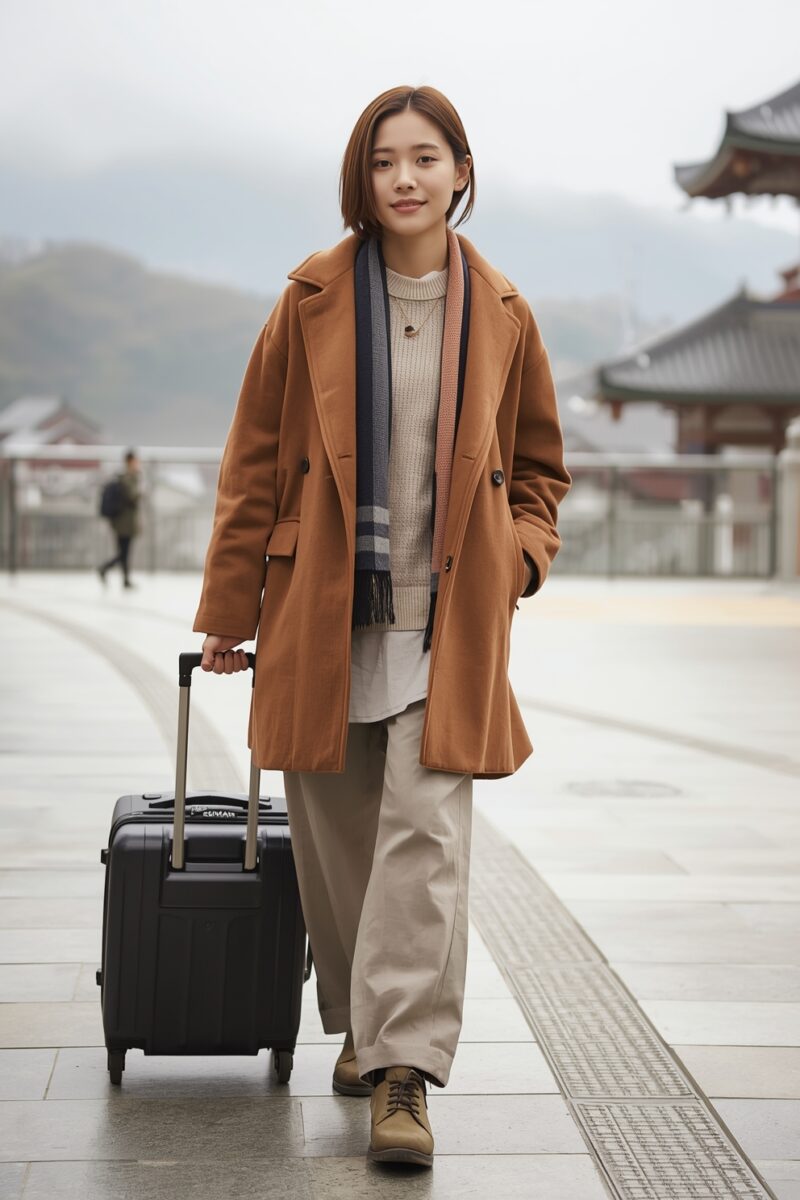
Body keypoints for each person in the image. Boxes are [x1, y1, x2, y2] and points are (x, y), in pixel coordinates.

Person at [193, 85, 571, 1168]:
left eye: (424, 157)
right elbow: (253, 467)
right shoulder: (308, 297)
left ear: (460, 171)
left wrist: (520, 559)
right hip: (319, 615)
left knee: (424, 844)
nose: (403, 178)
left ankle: (402, 1071)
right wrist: (228, 613)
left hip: (443, 626)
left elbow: (539, 467)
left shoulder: (500, 310)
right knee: (338, 851)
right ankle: (367, 1029)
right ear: (360, 178)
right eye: (381, 160)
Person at [98, 449, 142, 589]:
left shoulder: (121, 477)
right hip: (125, 522)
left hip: (119, 521)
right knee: (124, 552)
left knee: (123, 551)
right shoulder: (128, 478)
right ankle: (106, 568)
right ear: (130, 461)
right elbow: (133, 496)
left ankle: (124, 579)